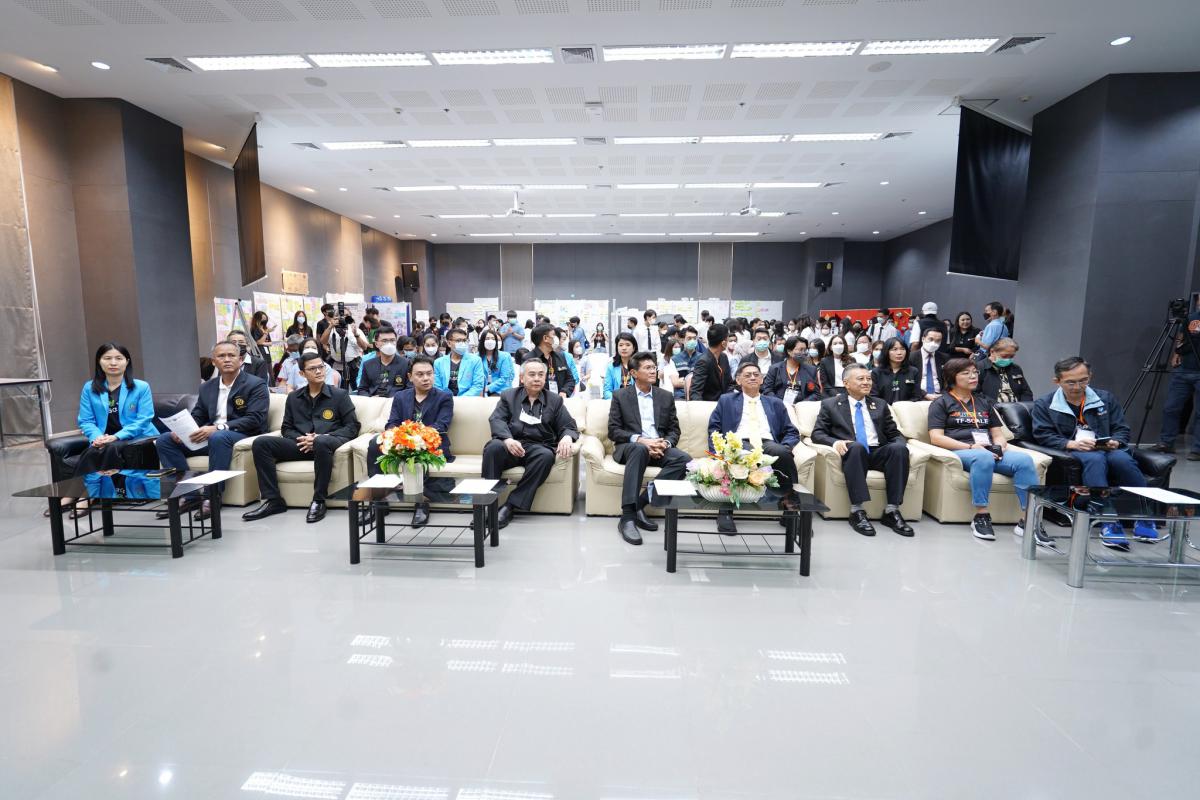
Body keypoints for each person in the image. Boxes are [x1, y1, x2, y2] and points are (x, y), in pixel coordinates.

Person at [1031, 356, 1160, 550]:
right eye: (1071, 382)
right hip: (1076, 450)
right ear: (1057, 381)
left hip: (1107, 447)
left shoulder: (1105, 398)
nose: (1077, 387)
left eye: (1083, 380)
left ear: (1090, 376)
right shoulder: (1045, 404)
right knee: (1095, 460)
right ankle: (1107, 519)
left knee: (1123, 460)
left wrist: (1117, 441)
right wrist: (1071, 444)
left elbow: (1121, 429)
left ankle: (1144, 516)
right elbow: (1042, 434)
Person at [154, 340, 269, 520]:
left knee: (219, 437)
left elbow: (255, 419)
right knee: (165, 440)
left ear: (240, 360)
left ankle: (211, 496)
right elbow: (198, 414)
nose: (227, 359)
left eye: (231, 355)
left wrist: (218, 428)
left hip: (240, 434)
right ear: (214, 362)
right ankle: (187, 495)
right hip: (211, 436)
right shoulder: (207, 386)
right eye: (221, 356)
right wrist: (182, 431)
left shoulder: (255, 384)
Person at [927, 358, 1038, 541]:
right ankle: (981, 515)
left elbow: (998, 434)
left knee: (1024, 460)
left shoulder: (984, 402)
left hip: (988, 451)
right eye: (966, 373)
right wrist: (971, 446)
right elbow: (936, 437)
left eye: (975, 372)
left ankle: (1029, 520)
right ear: (952, 377)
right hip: (961, 451)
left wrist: (999, 446)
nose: (973, 376)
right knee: (982, 457)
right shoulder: (941, 403)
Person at [243, 353, 360, 524]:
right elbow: (286, 428)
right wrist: (304, 439)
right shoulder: (293, 398)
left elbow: (352, 427)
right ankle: (273, 500)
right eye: (313, 369)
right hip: (301, 444)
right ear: (302, 374)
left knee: (320, 442)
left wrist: (321, 437)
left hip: (328, 443)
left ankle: (319, 500)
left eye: (321, 367)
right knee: (261, 443)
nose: (319, 371)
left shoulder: (339, 395)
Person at [51, 342, 156, 517]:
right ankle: (83, 495)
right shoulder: (89, 388)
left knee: (106, 447)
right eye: (107, 358)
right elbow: (86, 420)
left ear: (127, 361)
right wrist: (97, 437)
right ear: (99, 361)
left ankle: (80, 495)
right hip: (104, 437)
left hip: (136, 437)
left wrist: (115, 437)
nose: (113, 363)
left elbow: (144, 420)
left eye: (118, 358)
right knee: (100, 447)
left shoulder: (141, 387)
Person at [810, 364, 914, 537]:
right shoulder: (831, 404)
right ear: (846, 383)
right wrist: (835, 442)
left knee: (899, 449)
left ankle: (892, 511)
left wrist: (901, 445)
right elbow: (817, 434)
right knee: (856, 446)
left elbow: (894, 434)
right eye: (861, 379)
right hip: (853, 453)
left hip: (877, 452)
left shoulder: (879, 404)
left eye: (868, 379)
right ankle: (857, 511)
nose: (866, 382)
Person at [707, 361, 803, 534]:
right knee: (739, 453)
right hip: (738, 442)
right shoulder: (726, 400)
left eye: (756, 375)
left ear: (762, 380)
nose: (752, 377)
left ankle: (790, 508)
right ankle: (725, 511)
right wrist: (717, 452)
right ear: (738, 380)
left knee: (781, 453)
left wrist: (786, 446)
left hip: (767, 443)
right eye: (747, 375)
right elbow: (714, 428)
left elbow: (791, 431)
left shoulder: (775, 403)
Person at [482, 360, 580, 529]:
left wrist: (566, 438)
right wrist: (507, 439)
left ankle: (509, 506)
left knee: (546, 456)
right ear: (522, 378)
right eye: (532, 374)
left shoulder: (555, 400)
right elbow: (497, 419)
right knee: (493, 447)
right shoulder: (508, 396)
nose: (537, 379)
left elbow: (569, 426)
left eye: (541, 375)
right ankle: (487, 504)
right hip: (511, 444)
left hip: (538, 447)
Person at [608, 351, 692, 545]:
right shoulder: (620, 396)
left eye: (654, 367)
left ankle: (641, 503)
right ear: (634, 373)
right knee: (639, 449)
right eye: (647, 368)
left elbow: (674, 430)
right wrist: (641, 440)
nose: (653, 371)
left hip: (658, 445)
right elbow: (614, 430)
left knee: (685, 460)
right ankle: (627, 517)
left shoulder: (665, 396)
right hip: (631, 447)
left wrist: (665, 443)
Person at [364, 356, 453, 527]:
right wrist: (401, 437)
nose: (426, 378)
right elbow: (392, 423)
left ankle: (421, 503)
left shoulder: (444, 397)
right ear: (410, 377)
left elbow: (441, 425)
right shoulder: (400, 396)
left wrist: (414, 437)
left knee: (418, 449)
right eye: (420, 374)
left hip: (431, 442)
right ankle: (378, 501)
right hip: (403, 441)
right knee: (375, 443)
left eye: (429, 374)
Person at [1156, 303, 1200, 460]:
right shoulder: (1191, 318)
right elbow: (1182, 337)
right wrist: (1176, 354)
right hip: (1183, 370)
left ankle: (1197, 449)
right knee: (1171, 408)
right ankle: (1167, 442)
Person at [763, 336, 820, 404]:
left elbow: (815, 393)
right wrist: (780, 404)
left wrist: (802, 404)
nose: (804, 353)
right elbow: (768, 390)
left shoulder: (811, 370)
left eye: (805, 350)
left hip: (802, 407)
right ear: (789, 351)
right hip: (779, 405)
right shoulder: (775, 369)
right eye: (801, 349)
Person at [356, 325, 409, 397]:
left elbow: (410, 389)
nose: (389, 344)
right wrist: (370, 399)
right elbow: (362, 389)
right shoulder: (368, 365)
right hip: (374, 401)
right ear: (376, 344)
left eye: (392, 340)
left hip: (396, 401)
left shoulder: (406, 364)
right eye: (385, 341)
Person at [320, 310, 370, 389]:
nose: (343, 317)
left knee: (357, 388)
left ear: (350, 317)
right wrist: (330, 326)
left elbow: (364, 347)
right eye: (341, 315)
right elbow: (323, 341)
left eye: (346, 315)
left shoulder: (356, 330)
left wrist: (356, 335)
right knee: (339, 390)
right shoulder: (331, 330)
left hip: (354, 365)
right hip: (337, 365)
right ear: (336, 317)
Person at [975, 338, 1033, 404]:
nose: (1008, 359)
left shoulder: (1015, 368)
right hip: (991, 407)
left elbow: (1026, 392)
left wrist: (1024, 406)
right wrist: (992, 405)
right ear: (992, 352)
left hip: (1017, 408)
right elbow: (974, 393)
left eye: (1011, 356)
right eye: (1004, 356)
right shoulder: (979, 368)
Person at [525, 324, 576, 398]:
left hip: (559, 401)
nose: (557, 338)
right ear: (545, 338)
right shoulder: (529, 359)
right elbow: (527, 385)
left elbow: (570, 379)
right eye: (554, 335)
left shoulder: (560, 356)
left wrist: (564, 391)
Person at [434, 327, 486, 396]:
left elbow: (478, 385)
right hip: (445, 399)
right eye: (458, 341)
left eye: (464, 340)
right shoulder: (439, 362)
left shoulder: (475, 360)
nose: (462, 343)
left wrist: (461, 399)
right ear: (449, 343)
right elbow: (437, 387)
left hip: (467, 399)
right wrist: (446, 399)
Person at [688, 323, 733, 401]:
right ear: (723, 343)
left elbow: (729, 383)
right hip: (709, 404)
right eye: (728, 339)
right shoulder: (703, 361)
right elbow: (695, 392)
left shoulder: (723, 357)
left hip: (724, 402)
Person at [871, 337, 922, 404]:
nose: (899, 353)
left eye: (902, 349)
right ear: (886, 351)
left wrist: (903, 406)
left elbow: (916, 396)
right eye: (894, 349)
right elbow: (874, 397)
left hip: (907, 408)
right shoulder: (876, 372)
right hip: (884, 408)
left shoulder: (913, 371)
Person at [909, 327, 949, 400]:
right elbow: (909, 381)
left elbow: (949, 380)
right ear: (923, 339)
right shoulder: (911, 357)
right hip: (918, 396)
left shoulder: (944, 358)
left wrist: (943, 394)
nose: (934, 343)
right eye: (930, 339)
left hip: (940, 396)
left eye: (938, 341)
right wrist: (924, 394)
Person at [479, 328, 516, 396]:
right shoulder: (477, 357)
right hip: (481, 389)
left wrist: (488, 388)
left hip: (500, 389)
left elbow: (504, 377)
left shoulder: (504, 356)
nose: (490, 341)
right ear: (482, 341)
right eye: (487, 339)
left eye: (493, 339)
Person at [668, 326, 701, 399]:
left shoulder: (702, 358)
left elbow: (705, 382)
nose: (692, 341)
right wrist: (695, 382)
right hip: (680, 397)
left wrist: (683, 381)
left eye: (694, 338)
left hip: (698, 396)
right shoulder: (674, 359)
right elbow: (675, 383)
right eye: (689, 338)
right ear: (682, 340)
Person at [603, 331, 639, 399]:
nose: (624, 348)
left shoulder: (640, 366)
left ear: (633, 348)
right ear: (617, 348)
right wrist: (618, 401)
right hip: (617, 402)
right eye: (621, 345)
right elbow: (607, 391)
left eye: (628, 345)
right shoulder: (611, 367)